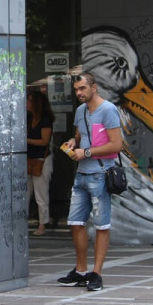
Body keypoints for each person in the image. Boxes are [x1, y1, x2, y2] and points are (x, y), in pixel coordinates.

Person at [57, 72, 123, 292]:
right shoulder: (81, 111)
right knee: (75, 223)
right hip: (82, 174)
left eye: (82, 88)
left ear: (94, 87)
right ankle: (81, 271)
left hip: (100, 173)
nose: (79, 93)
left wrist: (86, 152)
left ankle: (97, 273)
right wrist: (72, 142)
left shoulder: (108, 110)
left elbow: (116, 145)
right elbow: (79, 136)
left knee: (101, 225)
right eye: (76, 89)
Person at [27, 91, 55, 236]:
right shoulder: (28, 117)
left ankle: (42, 224)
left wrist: (25, 140)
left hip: (41, 160)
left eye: (29, 101)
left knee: (41, 194)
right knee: (26, 193)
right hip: (30, 159)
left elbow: (44, 141)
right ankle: (32, 221)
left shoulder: (45, 120)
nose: (27, 103)